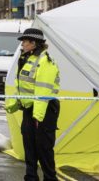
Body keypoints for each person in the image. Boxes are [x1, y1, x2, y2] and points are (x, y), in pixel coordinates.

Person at [5, 28, 60, 181]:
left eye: (24, 41)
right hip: (30, 110)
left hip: (44, 111)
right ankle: (30, 177)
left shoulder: (45, 61)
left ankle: (50, 178)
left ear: (33, 43)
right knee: (29, 146)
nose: (22, 44)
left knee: (44, 148)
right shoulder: (27, 58)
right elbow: (22, 86)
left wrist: (38, 117)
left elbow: (43, 91)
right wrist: (14, 104)